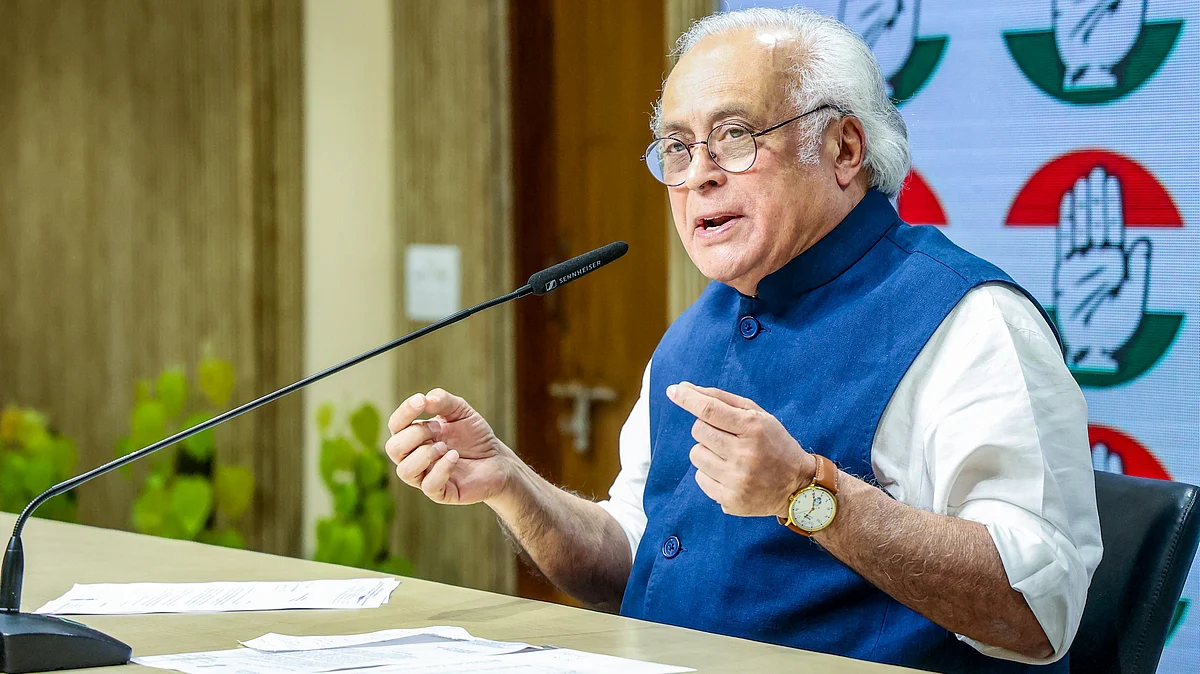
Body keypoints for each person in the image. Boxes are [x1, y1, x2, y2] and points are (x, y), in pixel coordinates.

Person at [384, 7, 1102, 672]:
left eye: (733, 137)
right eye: (676, 146)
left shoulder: (970, 322)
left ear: (844, 147)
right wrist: (513, 487)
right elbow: (634, 563)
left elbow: (1038, 611)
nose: (697, 174)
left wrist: (805, 494)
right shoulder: (694, 333)